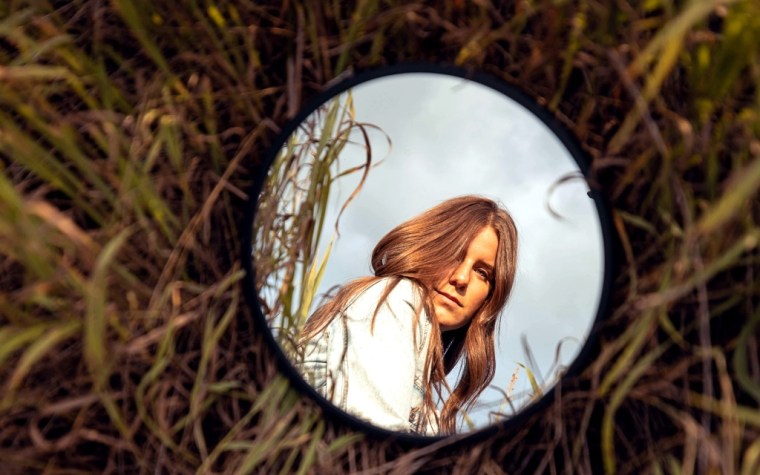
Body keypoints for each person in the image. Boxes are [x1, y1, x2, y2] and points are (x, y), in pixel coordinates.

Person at [296, 195, 518, 435]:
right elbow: (376, 439)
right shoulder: (395, 299)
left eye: (482, 273)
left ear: (490, 297)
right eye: (455, 254)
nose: (462, 278)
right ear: (429, 248)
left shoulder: (423, 389)